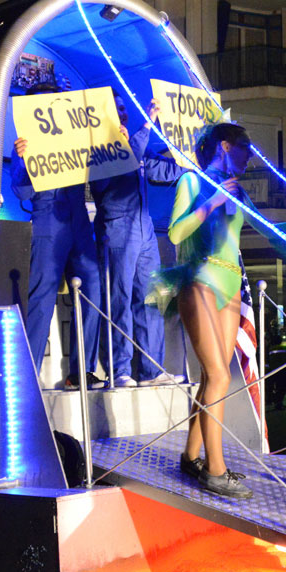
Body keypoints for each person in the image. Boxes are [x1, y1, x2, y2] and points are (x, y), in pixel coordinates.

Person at [166, 122, 286, 500]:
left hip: (229, 287)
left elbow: (270, 231)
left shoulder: (238, 190)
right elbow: (176, 233)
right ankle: (215, 470)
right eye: (245, 148)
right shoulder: (192, 183)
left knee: (214, 379)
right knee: (219, 378)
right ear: (225, 146)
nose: (250, 156)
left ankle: (191, 457)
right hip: (200, 282)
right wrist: (211, 202)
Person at [11, 82, 102, 390]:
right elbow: (21, 190)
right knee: (41, 296)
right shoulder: (23, 145)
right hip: (48, 219)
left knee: (93, 288)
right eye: (39, 104)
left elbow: (104, 161)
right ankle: (29, 374)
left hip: (78, 218)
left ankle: (81, 371)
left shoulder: (75, 136)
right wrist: (22, 160)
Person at [91, 96, 184, 387]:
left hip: (144, 232)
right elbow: (125, 164)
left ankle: (151, 370)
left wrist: (190, 155)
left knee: (151, 301)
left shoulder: (137, 148)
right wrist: (147, 126)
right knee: (119, 300)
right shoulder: (99, 150)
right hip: (117, 230)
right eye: (116, 109)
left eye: (123, 109)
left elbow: (167, 170)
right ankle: (120, 370)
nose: (122, 114)